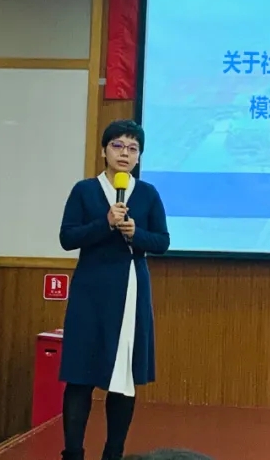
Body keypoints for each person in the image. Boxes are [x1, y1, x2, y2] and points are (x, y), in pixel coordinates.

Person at [58, 119, 171, 460]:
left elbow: (162, 241)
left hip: (131, 290)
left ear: (139, 156)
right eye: (118, 146)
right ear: (104, 151)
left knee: (123, 377)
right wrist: (104, 223)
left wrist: (137, 234)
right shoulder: (84, 190)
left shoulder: (148, 194)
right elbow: (67, 238)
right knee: (80, 374)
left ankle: (113, 453)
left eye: (133, 148)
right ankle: (73, 453)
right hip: (91, 291)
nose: (125, 153)